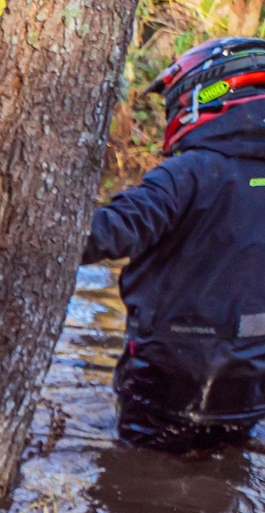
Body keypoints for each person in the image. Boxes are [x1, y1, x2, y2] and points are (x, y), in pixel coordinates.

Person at [81, 35, 265, 453]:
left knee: (134, 490)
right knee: (220, 488)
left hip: (167, 372)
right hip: (250, 380)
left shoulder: (190, 172)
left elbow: (110, 232)